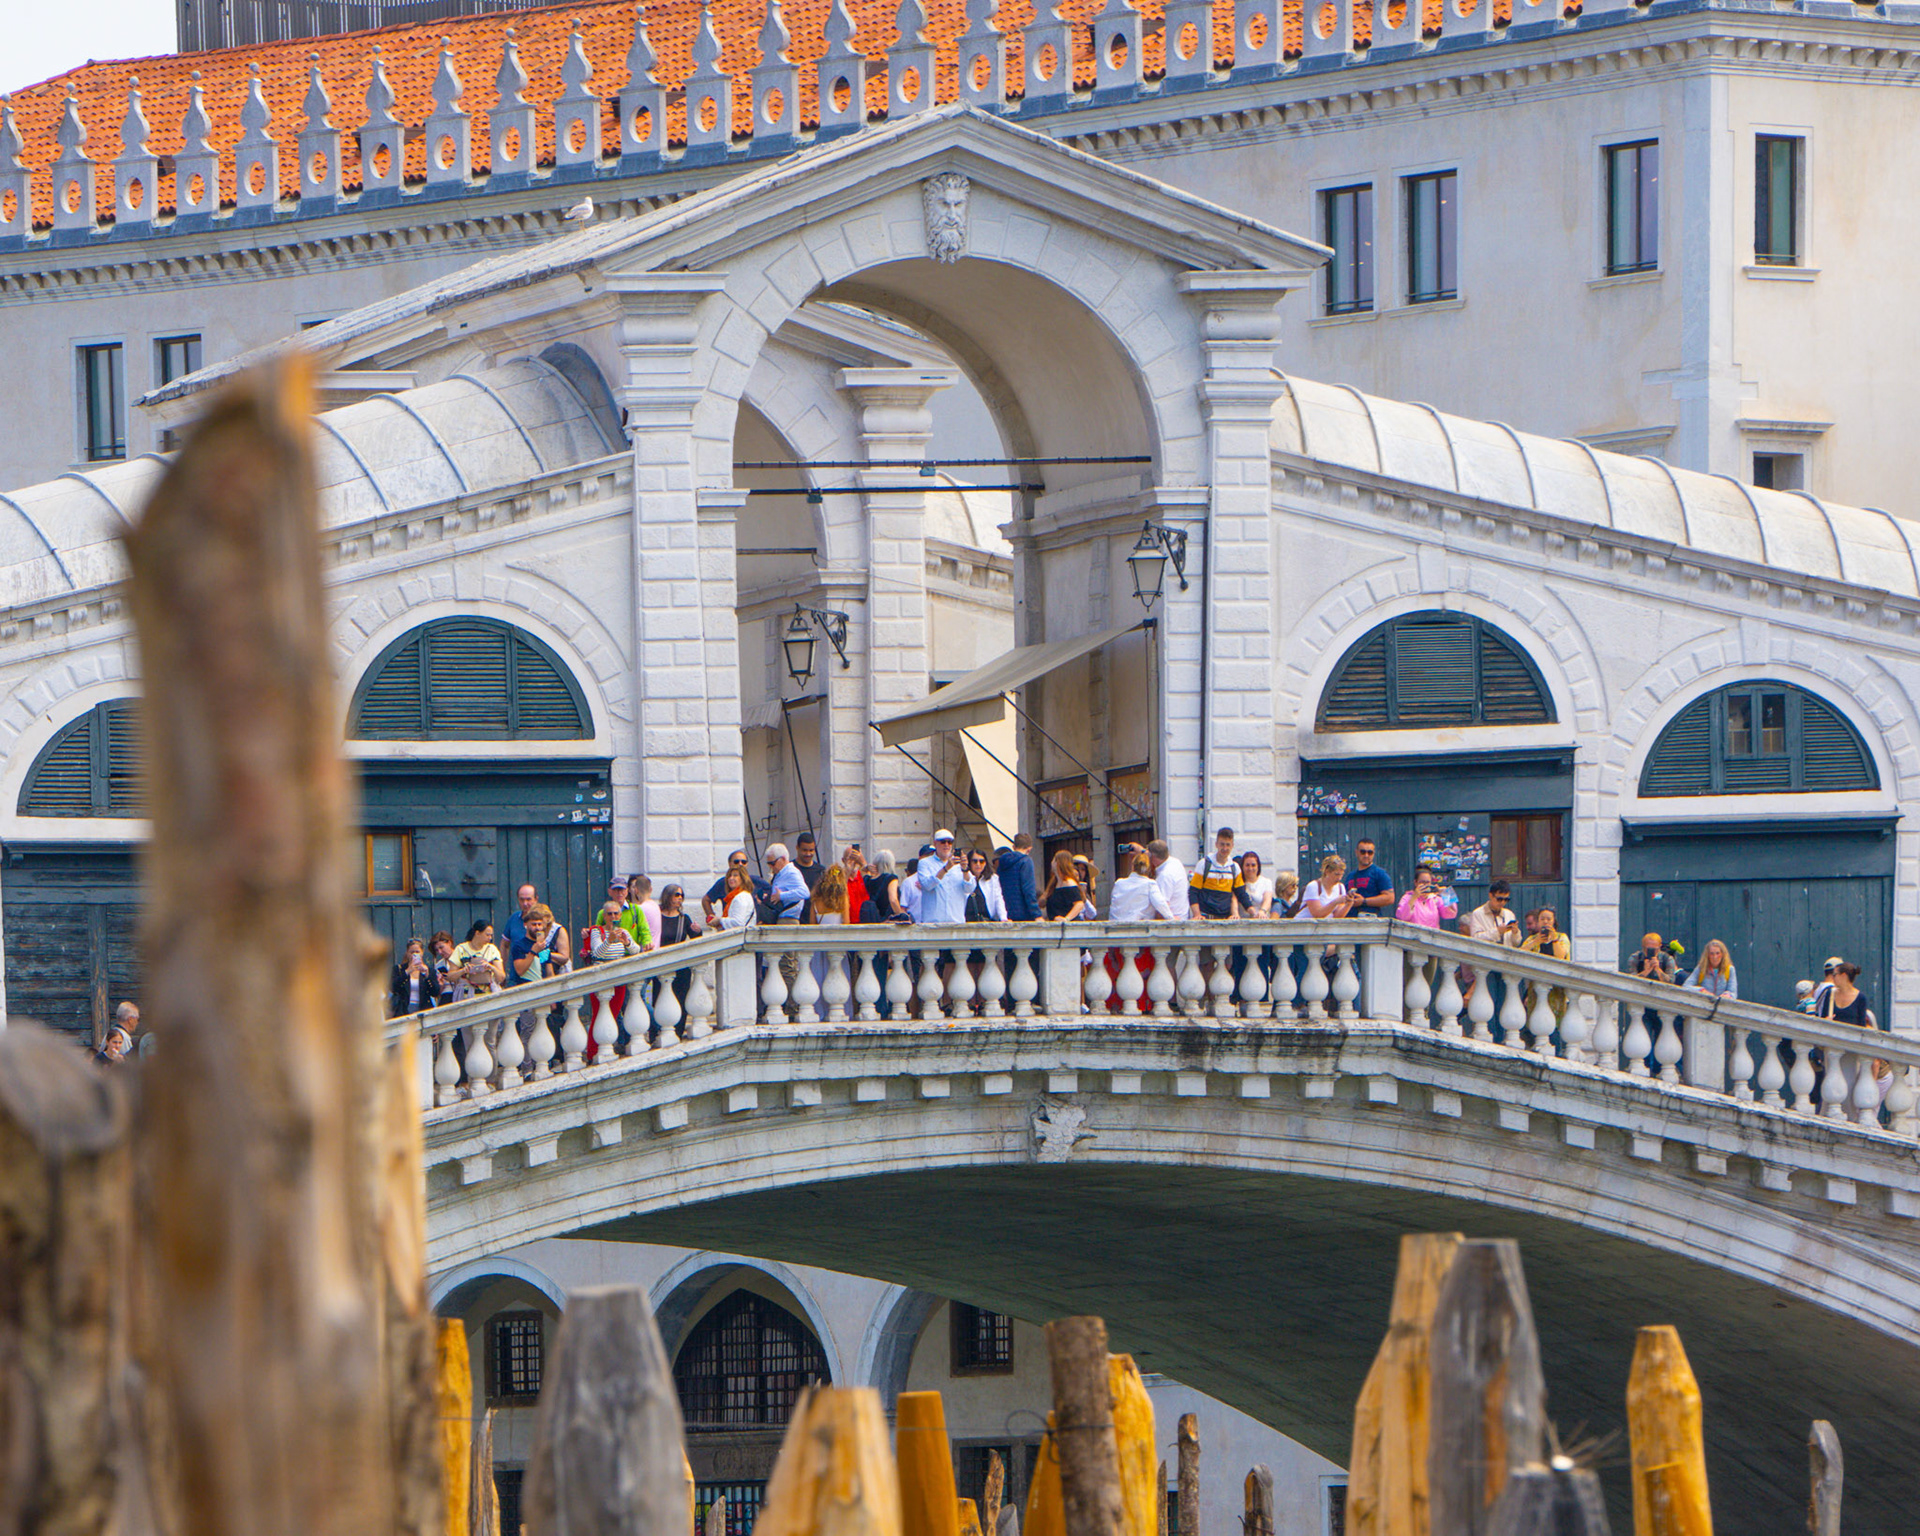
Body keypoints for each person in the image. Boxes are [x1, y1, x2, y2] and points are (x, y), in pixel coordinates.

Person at [704, 851, 771, 927]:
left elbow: (738, 923)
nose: (740, 864)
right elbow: (706, 899)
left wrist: (720, 920)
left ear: (743, 879)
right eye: (736, 862)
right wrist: (712, 917)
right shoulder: (729, 890)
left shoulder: (741, 897)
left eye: (743, 862)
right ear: (729, 863)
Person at [915, 830, 970, 924]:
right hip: (933, 923)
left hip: (957, 922)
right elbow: (927, 885)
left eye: (950, 842)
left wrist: (965, 870)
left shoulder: (958, 865)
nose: (947, 845)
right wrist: (945, 869)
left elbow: (969, 888)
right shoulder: (924, 863)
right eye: (943, 842)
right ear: (935, 843)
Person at [1189, 827, 1244, 920]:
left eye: (1228, 845)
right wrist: (1197, 915)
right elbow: (1193, 892)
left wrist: (1254, 912)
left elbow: (1241, 894)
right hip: (1205, 917)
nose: (1225, 848)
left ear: (1232, 846)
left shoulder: (1234, 868)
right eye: (1222, 844)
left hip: (1225, 919)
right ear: (1216, 844)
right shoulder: (1204, 864)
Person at [450, 920, 505, 998]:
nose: (490, 938)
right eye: (487, 935)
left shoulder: (492, 949)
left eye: (491, 935)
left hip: (489, 995)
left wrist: (491, 967)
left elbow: (501, 977)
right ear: (477, 933)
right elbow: (450, 976)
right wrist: (463, 971)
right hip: (467, 996)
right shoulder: (461, 949)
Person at [1394, 864, 1459, 929]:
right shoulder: (1407, 897)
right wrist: (1414, 897)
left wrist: (1447, 893)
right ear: (1415, 882)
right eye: (1422, 882)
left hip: (1432, 936)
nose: (1425, 885)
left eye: (1428, 882)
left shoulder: (1435, 899)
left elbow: (1452, 913)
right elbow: (1402, 917)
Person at [1141, 839, 1191, 920]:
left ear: (1152, 856)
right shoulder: (1176, 863)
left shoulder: (1164, 876)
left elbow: (1161, 908)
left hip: (1170, 925)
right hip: (1182, 917)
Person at [1346, 839, 1396, 916]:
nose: (1366, 855)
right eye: (1362, 852)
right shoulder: (1350, 876)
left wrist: (1363, 901)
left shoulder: (1379, 873)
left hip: (1371, 922)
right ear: (1356, 852)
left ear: (1374, 853)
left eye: (1370, 852)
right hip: (1351, 922)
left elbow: (1389, 898)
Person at [1297, 855, 1356, 919]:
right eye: (1336, 874)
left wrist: (1349, 904)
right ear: (1327, 872)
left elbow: (1337, 916)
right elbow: (1317, 914)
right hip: (1304, 925)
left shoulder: (1340, 888)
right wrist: (1335, 902)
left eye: (1341, 875)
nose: (1339, 878)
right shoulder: (1313, 886)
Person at [502, 882, 539, 986]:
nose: (525, 903)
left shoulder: (543, 921)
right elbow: (505, 945)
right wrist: (502, 969)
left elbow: (546, 951)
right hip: (515, 978)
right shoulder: (514, 918)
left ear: (536, 899)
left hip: (537, 979)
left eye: (529, 899)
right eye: (522, 900)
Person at [390, 936, 436, 1017]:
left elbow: (435, 991)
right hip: (403, 1010)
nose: (414, 955)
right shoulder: (399, 969)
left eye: (417, 952)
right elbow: (393, 988)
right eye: (412, 952)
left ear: (422, 952)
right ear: (407, 953)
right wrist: (407, 972)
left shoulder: (429, 970)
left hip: (423, 1010)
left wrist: (427, 975)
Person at [998, 832, 1040, 923]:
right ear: (1029, 849)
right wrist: (1037, 914)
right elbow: (1029, 890)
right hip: (1023, 914)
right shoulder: (1026, 861)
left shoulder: (1002, 862)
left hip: (1006, 913)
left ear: (1013, 847)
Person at [765, 843, 810, 922]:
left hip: (788, 919)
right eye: (768, 864)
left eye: (772, 863)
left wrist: (781, 896)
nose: (770, 867)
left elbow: (805, 892)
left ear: (782, 859)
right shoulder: (780, 873)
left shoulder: (791, 872)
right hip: (781, 918)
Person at [965, 849, 1008, 922]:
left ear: (985, 863)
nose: (978, 864)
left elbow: (998, 898)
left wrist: (1003, 918)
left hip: (986, 920)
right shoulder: (963, 877)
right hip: (966, 921)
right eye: (975, 861)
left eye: (981, 861)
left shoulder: (993, 879)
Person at [1042, 850, 1086, 921]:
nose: (1051, 863)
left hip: (1068, 927)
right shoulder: (1054, 883)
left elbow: (1079, 904)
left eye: (1054, 860)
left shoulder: (1069, 883)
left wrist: (1066, 919)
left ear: (1058, 863)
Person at [626, 876, 661, 951]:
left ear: (636, 890)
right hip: (655, 950)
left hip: (644, 951)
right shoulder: (656, 906)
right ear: (651, 889)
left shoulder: (640, 909)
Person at [1237, 851, 1275, 918]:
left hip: (1261, 920)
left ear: (1258, 866)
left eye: (1253, 865)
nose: (1250, 868)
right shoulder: (1238, 883)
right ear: (1242, 867)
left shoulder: (1266, 882)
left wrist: (1262, 911)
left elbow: (1267, 900)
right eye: (1247, 865)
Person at [841, 846, 868, 926]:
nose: (854, 862)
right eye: (850, 858)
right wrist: (847, 871)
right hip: (847, 924)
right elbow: (838, 890)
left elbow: (874, 888)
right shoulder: (840, 876)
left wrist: (863, 864)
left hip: (865, 924)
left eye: (856, 858)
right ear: (843, 860)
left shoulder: (864, 876)